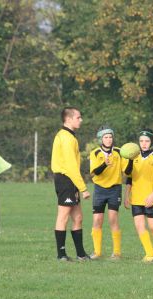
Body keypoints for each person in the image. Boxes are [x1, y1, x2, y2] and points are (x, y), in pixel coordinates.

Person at [51, 107, 90, 261]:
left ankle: (80, 254)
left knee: (78, 217)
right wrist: (84, 188)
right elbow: (70, 166)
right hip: (66, 179)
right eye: (78, 117)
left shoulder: (70, 136)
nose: (81, 120)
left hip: (70, 180)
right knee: (63, 216)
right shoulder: (66, 138)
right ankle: (61, 255)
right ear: (68, 119)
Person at [124, 129, 153, 262]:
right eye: (141, 141)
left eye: (147, 141)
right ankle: (149, 254)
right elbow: (128, 177)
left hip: (151, 198)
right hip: (136, 198)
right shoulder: (133, 156)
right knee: (139, 226)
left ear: (151, 142)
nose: (144, 143)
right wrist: (127, 196)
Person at [89, 125, 125, 260]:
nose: (109, 140)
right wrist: (105, 164)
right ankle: (97, 252)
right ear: (101, 139)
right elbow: (95, 172)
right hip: (99, 189)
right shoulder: (95, 153)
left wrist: (131, 159)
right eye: (106, 137)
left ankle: (116, 253)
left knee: (113, 219)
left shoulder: (120, 152)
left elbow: (126, 171)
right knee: (97, 220)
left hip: (115, 189)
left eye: (110, 137)